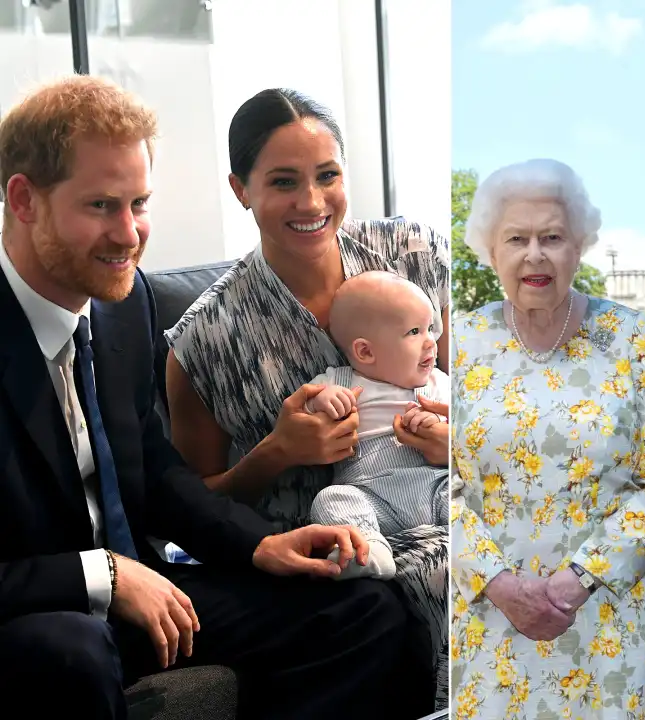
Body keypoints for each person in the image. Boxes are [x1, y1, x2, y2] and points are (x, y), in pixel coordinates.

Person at [0, 74, 425, 720]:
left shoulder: (123, 305)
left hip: (144, 585)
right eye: (101, 206)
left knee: (362, 609)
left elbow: (156, 470)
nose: (129, 234)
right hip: (37, 614)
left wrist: (261, 545)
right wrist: (102, 574)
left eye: (139, 203)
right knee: (70, 653)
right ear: (24, 200)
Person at [163, 88, 449, 709]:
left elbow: (481, 400)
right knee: (447, 573)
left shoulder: (415, 256)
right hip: (327, 554)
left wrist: (456, 440)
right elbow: (188, 508)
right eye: (284, 181)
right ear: (241, 189)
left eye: (327, 176)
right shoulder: (204, 339)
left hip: (443, 497)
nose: (312, 202)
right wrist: (277, 452)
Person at [451, 158, 645, 719]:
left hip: (609, 618)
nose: (535, 254)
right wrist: (499, 583)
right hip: (492, 623)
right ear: (491, 251)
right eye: (517, 239)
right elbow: (440, 483)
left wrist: (579, 579)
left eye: (552, 237)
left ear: (579, 247)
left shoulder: (631, 336)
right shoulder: (460, 341)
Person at [306, 271, 450, 580]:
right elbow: (302, 409)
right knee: (330, 499)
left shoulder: (438, 382)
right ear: (365, 352)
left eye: (430, 328)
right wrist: (322, 401)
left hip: (435, 487)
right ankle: (370, 550)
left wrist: (440, 422)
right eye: (414, 331)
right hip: (370, 495)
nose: (431, 341)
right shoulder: (339, 382)